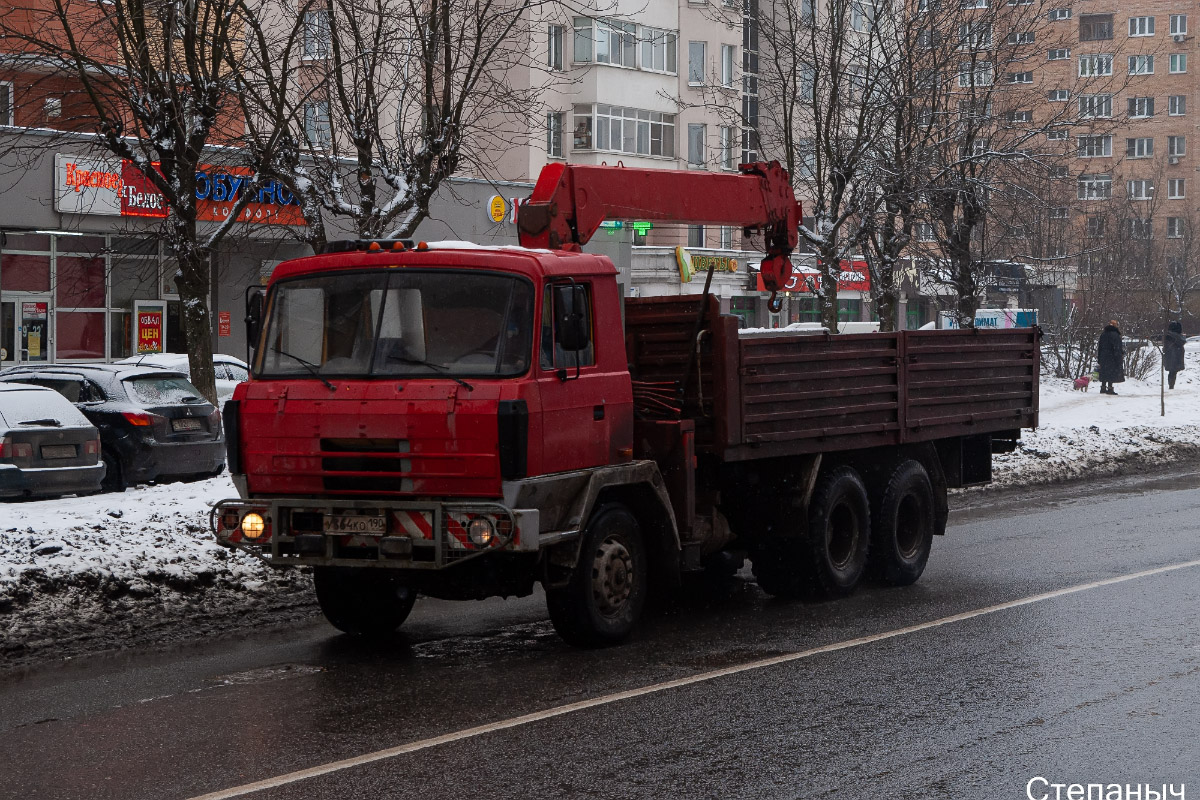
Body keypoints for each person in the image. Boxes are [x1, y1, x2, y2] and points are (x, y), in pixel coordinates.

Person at [1097, 319, 1125, 395]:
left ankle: (1103, 388)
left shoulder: (1103, 334)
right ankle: (1110, 388)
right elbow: (1117, 348)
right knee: (1111, 372)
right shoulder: (1115, 335)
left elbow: (1100, 346)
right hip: (1112, 356)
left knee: (1104, 371)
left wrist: (1099, 357)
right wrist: (1119, 357)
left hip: (1103, 355)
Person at [1164, 320, 1186, 390]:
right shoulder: (1179, 338)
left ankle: (1171, 386)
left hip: (1171, 357)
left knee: (1172, 372)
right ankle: (1171, 386)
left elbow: (1166, 349)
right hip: (1176, 357)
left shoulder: (1169, 337)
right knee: (1173, 372)